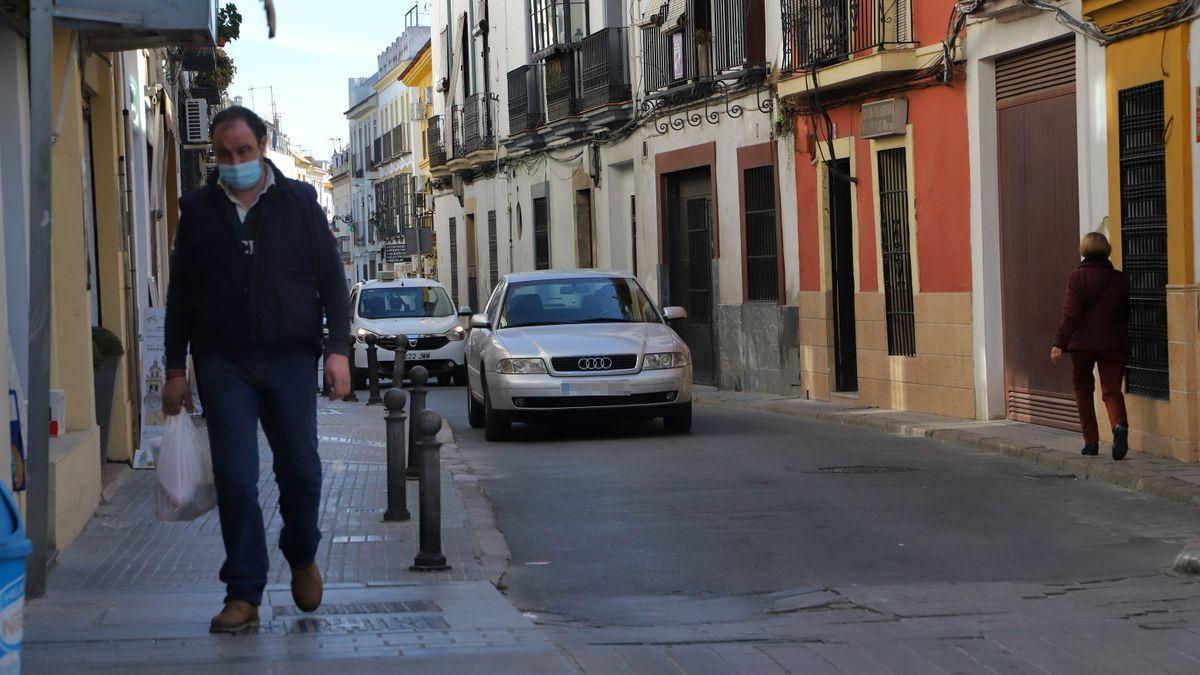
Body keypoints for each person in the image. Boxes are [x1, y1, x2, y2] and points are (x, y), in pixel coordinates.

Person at [163, 106, 352, 633]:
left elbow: (332, 282)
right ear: (214, 155)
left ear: (264, 145)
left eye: (244, 152)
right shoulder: (197, 211)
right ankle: (243, 592)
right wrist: (175, 368)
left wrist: (338, 348)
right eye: (225, 154)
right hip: (223, 361)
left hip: (290, 357)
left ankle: (301, 553)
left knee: (301, 470)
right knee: (235, 477)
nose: (235, 162)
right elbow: (180, 296)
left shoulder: (299, 203)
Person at [1051, 232, 1129, 460]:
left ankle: (1091, 442)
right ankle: (1118, 426)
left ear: (1083, 251)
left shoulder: (1076, 278)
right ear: (1107, 250)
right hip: (1113, 344)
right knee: (1112, 390)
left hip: (1081, 345)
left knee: (1083, 390)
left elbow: (1070, 314)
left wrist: (1058, 343)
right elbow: (1124, 315)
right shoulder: (1121, 279)